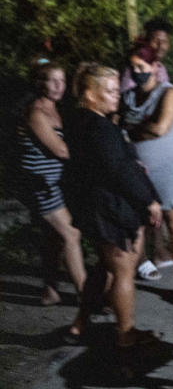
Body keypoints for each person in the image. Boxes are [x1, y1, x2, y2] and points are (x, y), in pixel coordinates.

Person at [64, 63, 163, 347]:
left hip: (93, 205)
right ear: (90, 95)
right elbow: (120, 169)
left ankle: (80, 323)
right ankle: (125, 336)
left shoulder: (80, 121)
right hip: (109, 208)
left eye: (115, 89)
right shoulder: (100, 128)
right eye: (108, 91)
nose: (116, 96)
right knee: (122, 270)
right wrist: (149, 201)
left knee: (105, 267)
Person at [120, 44, 173, 306]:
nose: (138, 72)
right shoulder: (128, 96)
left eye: (143, 67)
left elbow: (160, 128)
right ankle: (124, 283)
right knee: (136, 225)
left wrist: (131, 129)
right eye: (134, 67)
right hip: (139, 170)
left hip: (170, 168)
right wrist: (134, 129)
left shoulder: (169, 93)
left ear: (154, 67)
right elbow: (119, 127)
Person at [13, 59, 86, 306]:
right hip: (40, 184)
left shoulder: (56, 108)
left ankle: (50, 291)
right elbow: (62, 151)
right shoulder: (36, 113)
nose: (59, 86)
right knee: (71, 234)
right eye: (53, 80)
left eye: (62, 80)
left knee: (55, 238)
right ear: (39, 83)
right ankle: (86, 296)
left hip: (54, 183)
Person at [120, 18, 173, 279]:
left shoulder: (161, 69)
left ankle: (161, 252)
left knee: (155, 201)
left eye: (165, 40)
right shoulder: (134, 68)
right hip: (135, 145)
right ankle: (141, 261)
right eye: (156, 39)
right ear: (147, 39)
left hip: (154, 146)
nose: (161, 45)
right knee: (142, 203)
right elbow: (127, 109)